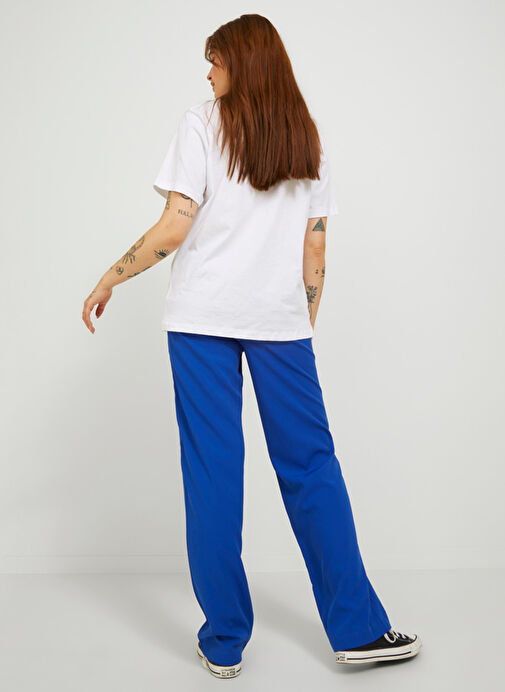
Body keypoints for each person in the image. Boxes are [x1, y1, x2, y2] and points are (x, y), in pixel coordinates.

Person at [82, 13, 422, 680]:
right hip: (278, 323)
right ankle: (358, 630)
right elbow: (315, 247)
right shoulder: (306, 137)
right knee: (312, 466)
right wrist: (301, 320)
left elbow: (175, 226)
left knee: (213, 471)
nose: (207, 73)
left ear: (242, 62)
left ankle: (224, 641)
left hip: (200, 319)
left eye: (215, 61)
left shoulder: (201, 124)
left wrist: (110, 276)